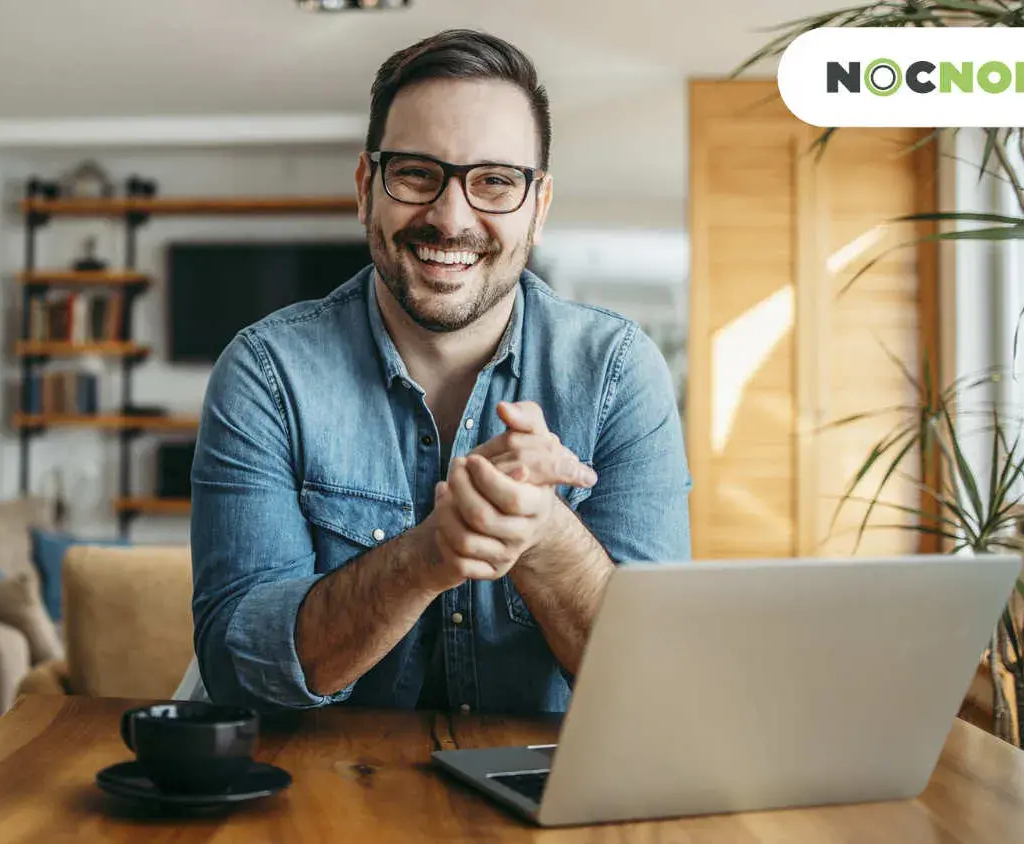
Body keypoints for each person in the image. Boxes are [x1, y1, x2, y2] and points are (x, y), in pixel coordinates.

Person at [188, 29, 690, 715]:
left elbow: (657, 685)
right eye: (418, 174)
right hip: (324, 804)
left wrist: (544, 534)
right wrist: (427, 555)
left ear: (537, 208)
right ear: (367, 188)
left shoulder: (619, 373)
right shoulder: (266, 373)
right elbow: (241, 674)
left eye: (494, 181)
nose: (451, 218)